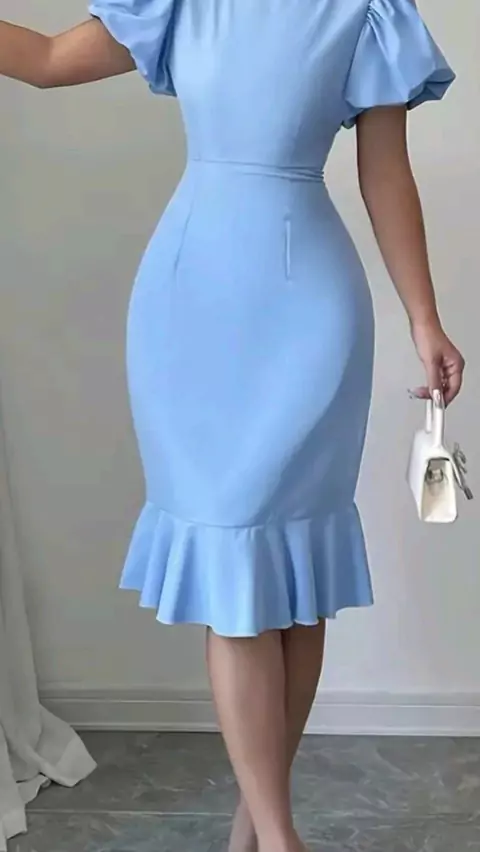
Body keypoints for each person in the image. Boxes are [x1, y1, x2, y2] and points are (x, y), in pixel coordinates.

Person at [1, 2, 464, 851]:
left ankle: (260, 830)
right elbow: (43, 60)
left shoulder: (366, 12)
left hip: (311, 312)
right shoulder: (181, 4)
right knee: (236, 570)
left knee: (297, 579)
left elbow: (385, 172)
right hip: (190, 306)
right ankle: (279, 839)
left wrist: (424, 318)